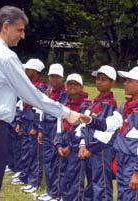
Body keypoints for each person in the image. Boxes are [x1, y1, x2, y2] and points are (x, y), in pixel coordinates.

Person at [0, 5, 80, 201]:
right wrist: (67, 113)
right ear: (6, 26)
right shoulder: (6, 57)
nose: (23, 36)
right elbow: (31, 94)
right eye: (20, 30)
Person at [80, 66, 138, 201]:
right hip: (122, 160)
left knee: (132, 197)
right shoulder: (126, 106)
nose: (125, 83)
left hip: (134, 163)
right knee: (122, 195)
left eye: (129, 80)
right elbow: (109, 124)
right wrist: (90, 120)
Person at [76, 65, 118, 201]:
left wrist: (91, 148)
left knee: (102, 185)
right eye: (98, 79)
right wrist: (82, 144)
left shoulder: (110, 104)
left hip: (101, 150)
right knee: (91, 182)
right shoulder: (94, 101)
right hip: (88, 148)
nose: (99, 82)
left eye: (104, 79)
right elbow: (85, 124)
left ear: (113, 83)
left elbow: (107, 131)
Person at [50, 73, 88, 201]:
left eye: (76, 84)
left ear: (82, 87)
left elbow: (82, 128)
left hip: (76, 143)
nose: (72, 86)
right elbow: (59, 123)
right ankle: (63, 196)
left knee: (75, 176)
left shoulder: (86, 105)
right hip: (64, 139)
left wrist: (70, 147)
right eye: (70, 83)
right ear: (65, 86)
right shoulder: (64, 103)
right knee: (64, 172)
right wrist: (59, 143)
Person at [13, 59, 48, 193]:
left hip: (33, 120)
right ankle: (25, 176)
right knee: (25, 150)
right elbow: (23, 104)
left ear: (36, 71)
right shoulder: (28, 84)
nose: (25, 71)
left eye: (28, 69)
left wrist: (36, 126)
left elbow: (40, 109)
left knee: (35, 153)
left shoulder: (41, 87)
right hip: (26, 119)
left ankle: (35, 182)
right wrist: (20, 122)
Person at [37, 63, 66, 200]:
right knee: (47, 161)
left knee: (56, 163)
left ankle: (57, 193)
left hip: (56, 128)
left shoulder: (65, 94)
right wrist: (41, 130)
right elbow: (42, 111)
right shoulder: (47, 91)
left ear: (62, 78)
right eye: (52, 76)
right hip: (46, 128)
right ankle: (50, 191)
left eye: (57, 77)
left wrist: (57, 134)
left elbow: (62, 115)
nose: (54, 79)